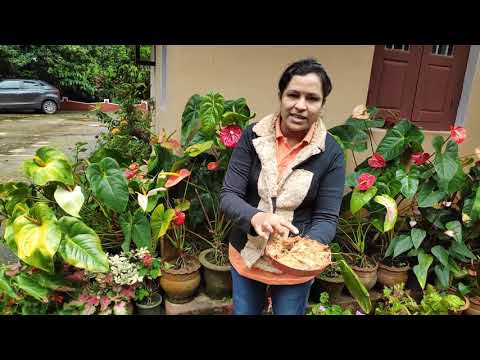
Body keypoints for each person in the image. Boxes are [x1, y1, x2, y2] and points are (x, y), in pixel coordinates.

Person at [220, 58, 346, 315]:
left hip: (296, 267)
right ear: (281, 96)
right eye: (293, 95)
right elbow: (228, 196)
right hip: (247, 253)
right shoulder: (253, 136)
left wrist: (297, 252)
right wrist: (258, 217)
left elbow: (326, 219)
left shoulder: (331, 153)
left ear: (322, 104)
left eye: (312, 98)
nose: (300, 106)